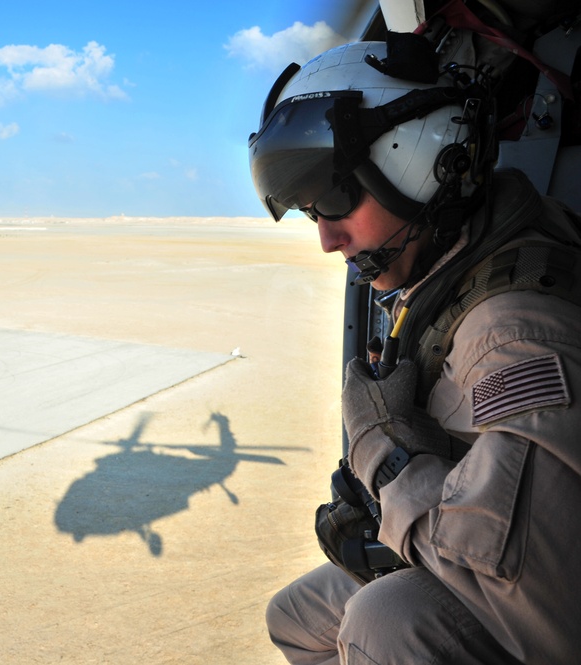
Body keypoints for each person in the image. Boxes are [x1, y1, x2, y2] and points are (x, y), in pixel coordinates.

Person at [247, 29, 581, 665]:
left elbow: (537, 605)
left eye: (336, 196)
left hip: (528, 610)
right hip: (457, 531)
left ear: (424, 160)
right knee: (291, 617)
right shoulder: (456, 262)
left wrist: (383, 452)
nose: (325, 238)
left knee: (385, 622)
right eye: (310, 208)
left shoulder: (513, 338)